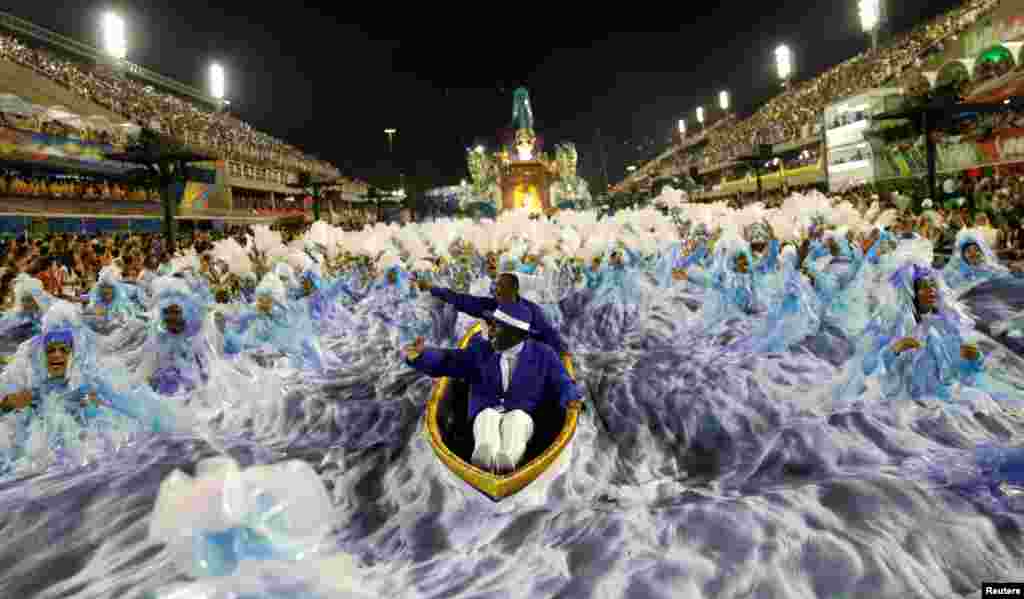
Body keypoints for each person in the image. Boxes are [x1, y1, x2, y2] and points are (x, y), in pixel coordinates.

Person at [403, 303, 580, 474]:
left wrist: (571, 397)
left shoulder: (543, 354)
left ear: (517, 334)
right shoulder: (480, 350)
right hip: (484, 412)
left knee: (517, 421)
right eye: (492, 326)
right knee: (487, 418)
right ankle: (483, 459)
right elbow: (448, 360)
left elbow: (562, 381)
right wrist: (421, 355)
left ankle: (509, 461)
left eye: (498, 328)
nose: (490, 332)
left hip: (523, 414)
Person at [417, 272, 568, 358]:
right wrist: (433, 289)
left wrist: (562, 355)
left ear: (514, 290)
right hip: (496, 354)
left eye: (501, 287)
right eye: (496, 286)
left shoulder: (533, 312)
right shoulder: (491, 305)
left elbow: (550, 335)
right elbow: (462, 300)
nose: (496, 290)